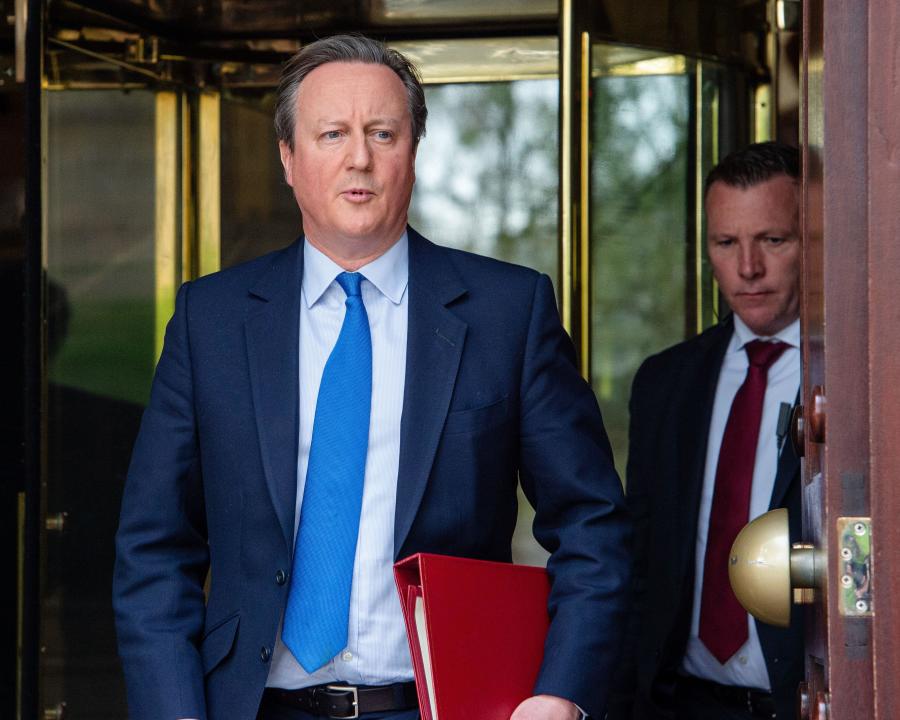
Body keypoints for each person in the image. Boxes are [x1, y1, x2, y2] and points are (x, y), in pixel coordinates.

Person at [113, 34, 630, 720]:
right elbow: (154, 551)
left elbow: (592, 523)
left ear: (413, 152)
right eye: (332, 133)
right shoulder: (210, 321)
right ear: (288, 158)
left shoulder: (509, 313)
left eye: (382, 132)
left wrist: (559, 692)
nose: (359, 156)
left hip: (441, 707)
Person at [608, 142, 804, 720]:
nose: (748, 268)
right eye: (726, 243)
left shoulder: (857, 379)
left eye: (772, 239)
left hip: (806, 703)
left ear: (812, 240)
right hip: (680, 704)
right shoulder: (665, 382)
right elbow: (638, 560)